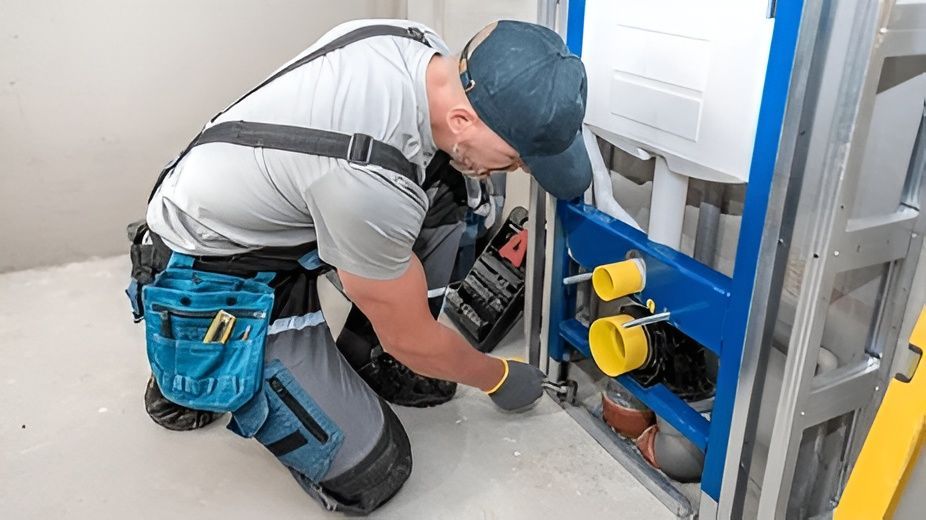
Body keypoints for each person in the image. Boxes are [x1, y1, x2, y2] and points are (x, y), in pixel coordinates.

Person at [130, 18, 592, 514]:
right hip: (216, 270)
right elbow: (409, 333)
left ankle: (367, 351)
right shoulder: (368, 185)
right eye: (518, 157)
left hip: (283, 210)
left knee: (451, 190)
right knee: (373, 470)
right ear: (463, 120)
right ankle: (186, 363)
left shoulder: (420, 47)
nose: (520, 170)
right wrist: (497, 377)